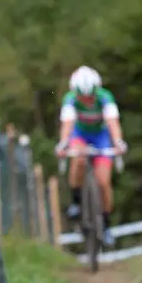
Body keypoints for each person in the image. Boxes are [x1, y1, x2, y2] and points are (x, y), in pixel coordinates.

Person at [55, 65, 128, 247]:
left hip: (100, 137)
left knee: (103, 182)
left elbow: (113, 123)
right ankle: (76, 201)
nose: (87, 100)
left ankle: (105, 224)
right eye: (83, 97)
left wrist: (118, 142)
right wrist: (64, 143)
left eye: (90, 97)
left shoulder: (105, 97)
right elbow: (67, 125)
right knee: (78, 159)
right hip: (80, 135)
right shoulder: (70, 99)